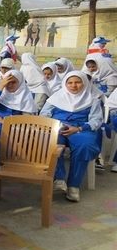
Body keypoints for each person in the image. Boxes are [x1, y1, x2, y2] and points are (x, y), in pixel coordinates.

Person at [40, 71, 103, 202]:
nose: (74, 86)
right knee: (49, 141)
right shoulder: (55, 98)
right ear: (65, 84)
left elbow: (96, 121)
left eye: (78, 82)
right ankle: (59, 179)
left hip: (80, 129)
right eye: (70, 82)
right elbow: (44, 114)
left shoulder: (92, 100)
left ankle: (74, 186)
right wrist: (58, 125)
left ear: (84, 83)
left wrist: (79, 128)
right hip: (58, 127)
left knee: (85, 146)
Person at [0, 70, 37, 140]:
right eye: (7, 82)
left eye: (13, 82)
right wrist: (1, 86)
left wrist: (4, 122)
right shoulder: (2, 94)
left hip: (13, 130)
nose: (10, 85)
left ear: (20, 82)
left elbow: (26, 122)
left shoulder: (25, 98)